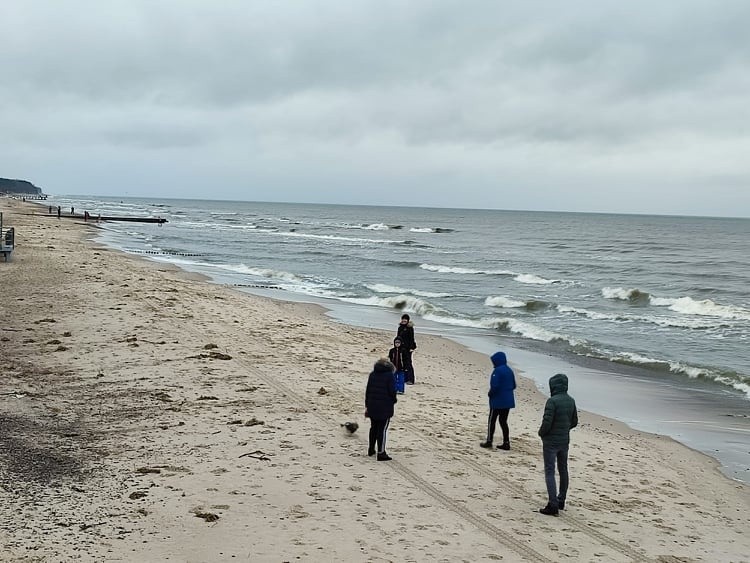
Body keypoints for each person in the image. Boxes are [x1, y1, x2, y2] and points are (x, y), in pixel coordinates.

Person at [538, 373, 578, 516]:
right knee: (563, 470)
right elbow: (574, 421)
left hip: (550, 441)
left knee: (550, 471)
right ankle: (561, 500)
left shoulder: (552, 401)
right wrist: (564, 429)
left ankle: (552, 504)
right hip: (564, 440)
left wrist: (542, 433)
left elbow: (547, 422)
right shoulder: (571, 401)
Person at [480, 351, 516, 450]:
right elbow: (514, 385)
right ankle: (506, 442)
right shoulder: (509, 370)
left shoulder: (497, 371)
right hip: (508, 401)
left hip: (497, 401)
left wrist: (490, 394)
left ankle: (489, 441)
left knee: (492, 420)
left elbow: (494, 386)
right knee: (503, 421)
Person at [365, 358, 397, 461]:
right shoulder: (389, 376)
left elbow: (368, 391)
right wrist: (394, 400)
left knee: (373, 427)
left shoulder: (372, 374)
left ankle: (371, 448)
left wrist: (367, 405)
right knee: (382, 430)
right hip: (385, 406)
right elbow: (392, 391)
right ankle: (381, 452)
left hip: (372, 405)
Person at [397, 313, 417, 384]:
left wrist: (412, 347)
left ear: (408, 320)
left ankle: (411, 379)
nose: (404, 320)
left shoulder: (410, 328)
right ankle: (405, 378)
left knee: (408, 363)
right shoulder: (400, 328)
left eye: (405, 319)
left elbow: (412, 338)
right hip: (401, 347)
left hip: (408, 348)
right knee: (403, 363)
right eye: (403, 319)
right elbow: (398, 338)